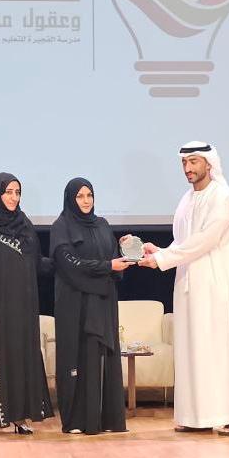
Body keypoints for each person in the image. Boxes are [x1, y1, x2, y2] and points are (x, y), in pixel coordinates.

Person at [138, 141, 229, 435]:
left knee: (220, 350)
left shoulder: (224, 198)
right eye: (184, 163)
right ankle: (197, 416)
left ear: (208, 163)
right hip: (189, 286)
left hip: (217, 287)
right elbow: (185, 242)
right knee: (193, 351)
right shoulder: (187, 200)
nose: (188, 168)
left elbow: (205, 241)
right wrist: (160, 251)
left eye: (193, 162)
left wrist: (162, 259)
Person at [0, 172, 54, 435]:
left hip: (24, 304)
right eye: (8, 192)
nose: (14, 197)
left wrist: (65, 261)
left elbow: (38, 262)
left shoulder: (25, 225)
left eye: (17, 192)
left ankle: (18, 416)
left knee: (20, 358)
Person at [49, 177, 131, 434]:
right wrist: (107, 266)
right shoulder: (61, 227)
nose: (86, 201)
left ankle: (107, 420)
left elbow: (113, 260)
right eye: (80, 196)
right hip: (75, 303)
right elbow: (67, 263)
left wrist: (124, 250)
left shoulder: (102, 224)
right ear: (70, 199)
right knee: (78, 356)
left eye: (89, 195)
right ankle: (76, 420)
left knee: (103, 356)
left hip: (103, 301)